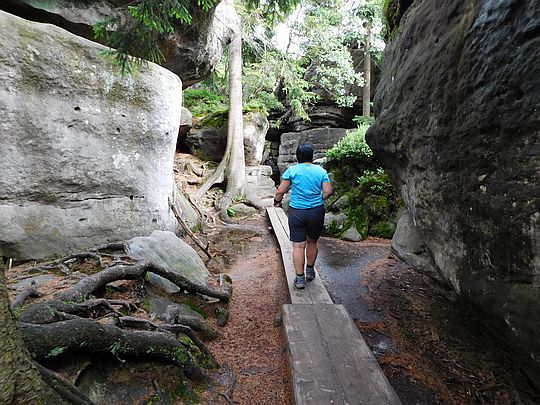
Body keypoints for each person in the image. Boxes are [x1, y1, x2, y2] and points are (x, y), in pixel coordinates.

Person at [273, 143, 333, 289]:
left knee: (298, 246)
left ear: (298, 156)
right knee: (312, 241)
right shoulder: (320, 171)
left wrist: (276, 202)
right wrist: (319, 199)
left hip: (297, 212)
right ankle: (310, 271)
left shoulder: (292, 170)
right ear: (311, 156)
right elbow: (328, 191)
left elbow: (280, 190)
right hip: (316, 211)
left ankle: (300, 279)